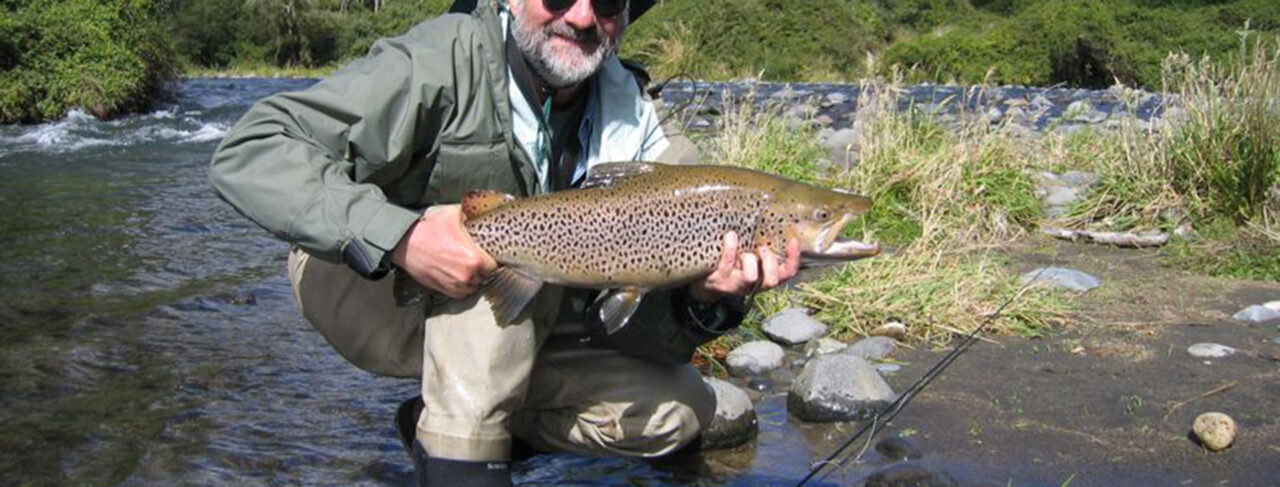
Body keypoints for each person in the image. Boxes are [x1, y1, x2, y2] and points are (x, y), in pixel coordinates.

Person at [208, 0, 800, 485]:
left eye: (609, 2)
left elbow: (643, 336)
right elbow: (252, 149)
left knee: (676, 410)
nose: (583, 16)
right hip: (366, 281)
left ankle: (442, 420)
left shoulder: (650, 138)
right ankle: (462, 447)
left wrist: (703, 302)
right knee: (487, 322)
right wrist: (402, 236)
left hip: (530, 303)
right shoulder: (439, 59)